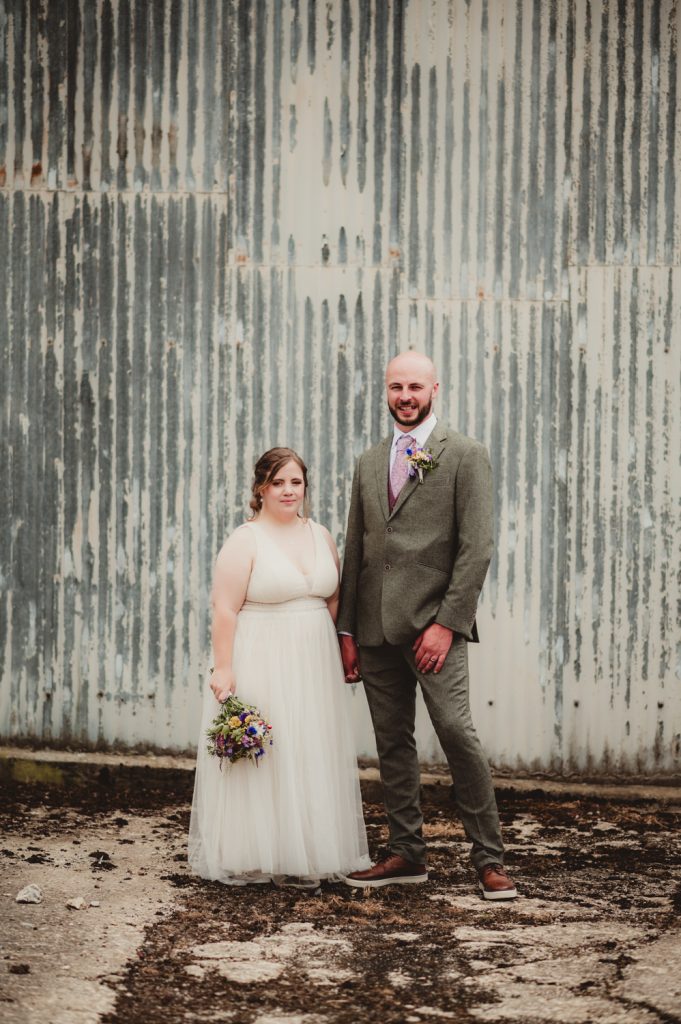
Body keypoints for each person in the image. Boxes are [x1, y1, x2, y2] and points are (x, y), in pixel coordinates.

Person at [336, 351, 517, 900]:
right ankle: (406, 853)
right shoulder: (369, 462)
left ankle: (489, 859)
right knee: (392, 743)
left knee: (458, 735)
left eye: (415, 385)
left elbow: (476, 548)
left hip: (433, 629)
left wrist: (447, 624)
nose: (405, 395)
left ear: (435, 388)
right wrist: (346, 631)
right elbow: (356, 549)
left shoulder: (464, 455)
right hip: (374, 630)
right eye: (396, 386)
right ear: (386, 391)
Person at [188, 448, 370, 888]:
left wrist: (346, 649)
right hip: (264, 657)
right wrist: (224, 668)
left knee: (310, 748)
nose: (289, 491)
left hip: (313, 661)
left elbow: (333, 600)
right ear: (261, 489)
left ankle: (307, 848)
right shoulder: (245, 540)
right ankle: (256, 849)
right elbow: (224, 609)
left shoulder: (320, 534)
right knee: (272, 754)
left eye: (296, 482)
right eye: (279, 482)